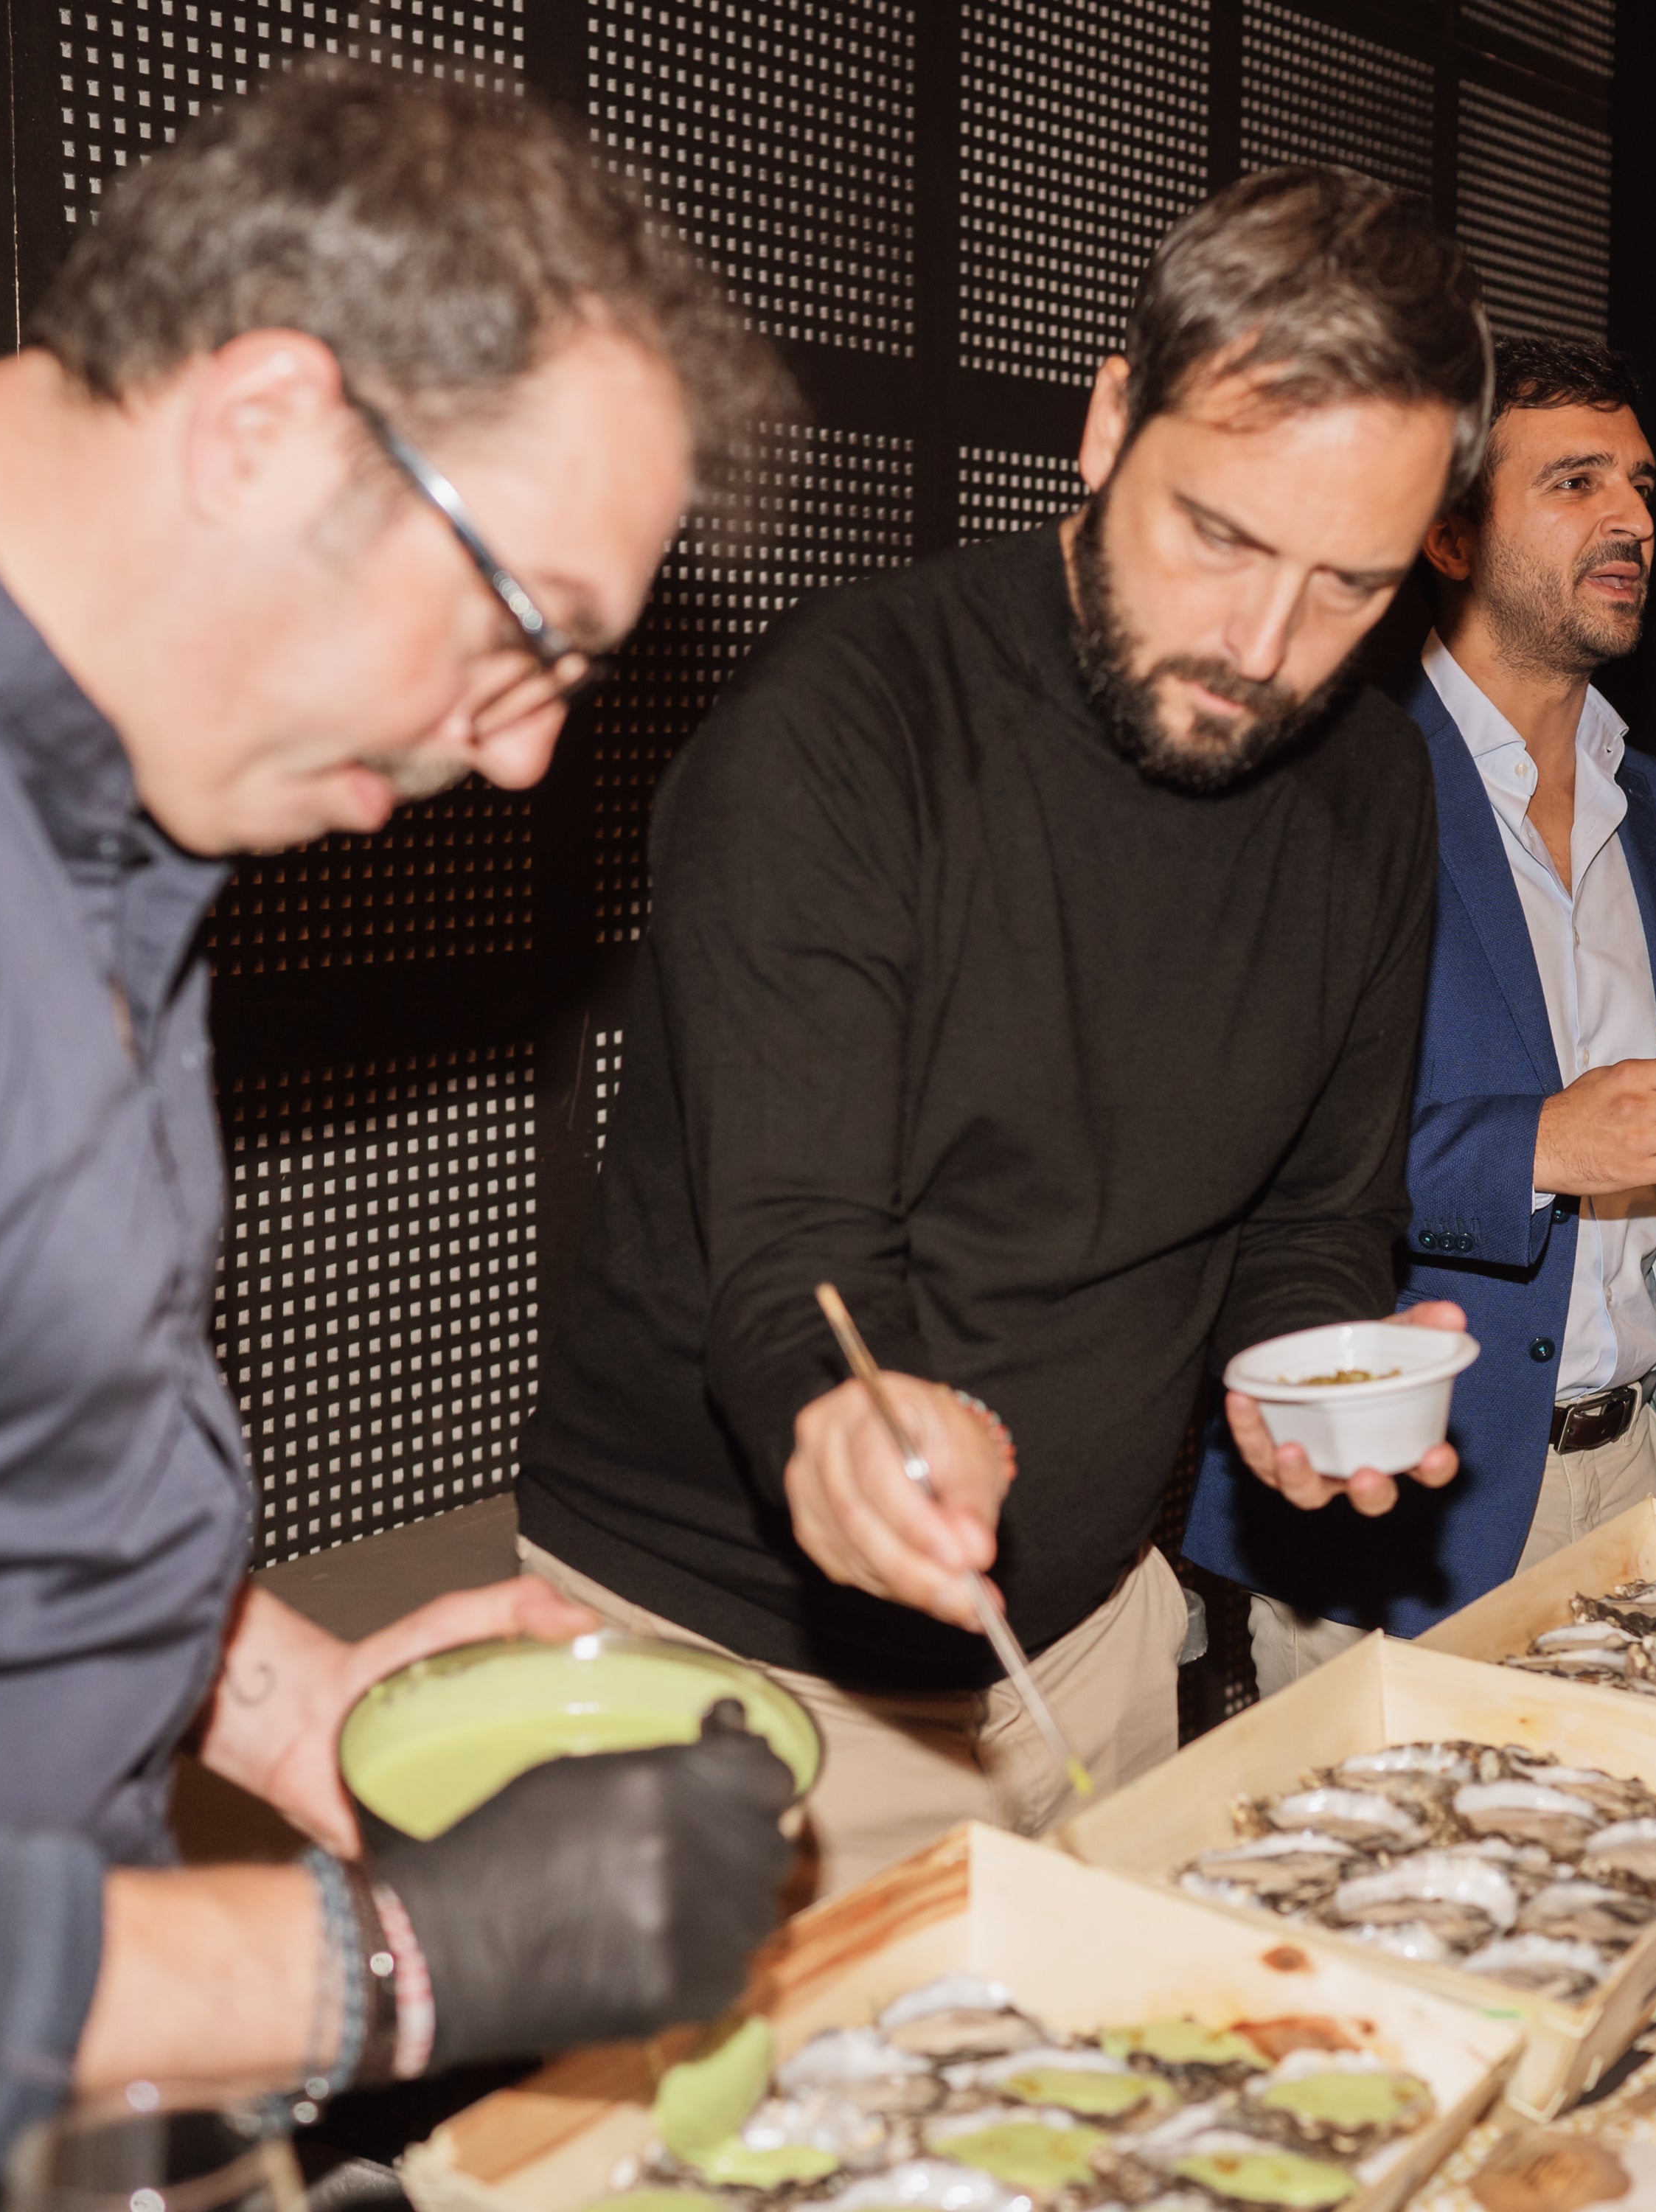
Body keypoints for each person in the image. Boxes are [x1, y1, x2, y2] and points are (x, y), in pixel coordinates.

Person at [0, 62, 801, 2177]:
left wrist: (270, 1693)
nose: (513, 761)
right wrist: (397, 1963)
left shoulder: (68, 754)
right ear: (265, 423)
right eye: (526, 640)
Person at [515, 165, 1492, 1894]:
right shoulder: (845, 729)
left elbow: (1313, 1212)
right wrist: (853, 1417)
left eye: (1348, 586)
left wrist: (1301, 1372)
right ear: (1108, 421)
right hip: (734, 1673)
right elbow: (791, 1266)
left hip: (1101, 1643)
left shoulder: (1373, 783)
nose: (1264, 649)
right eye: (1219, 537)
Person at [1180, 338, 1656, 1686]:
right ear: (1452, 533)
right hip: (1403, 1502)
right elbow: (1227, 1153)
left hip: (1646, 1457)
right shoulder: (1317, 783)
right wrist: (1533, 1149)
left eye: (1638, 485)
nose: (1632, 519)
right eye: (1575, 482)